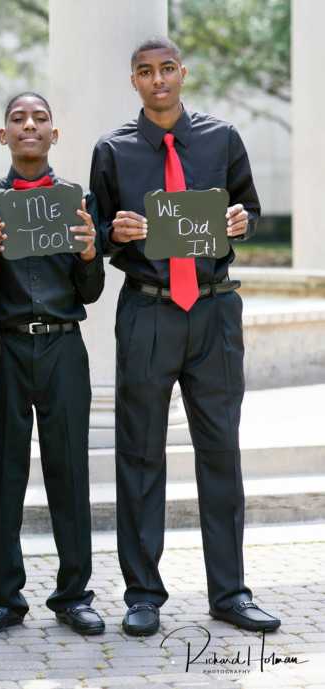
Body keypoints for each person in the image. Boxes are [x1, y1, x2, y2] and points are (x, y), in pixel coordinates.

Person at [89, 37, 280, 636]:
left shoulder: (221, 139)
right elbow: (94, 233)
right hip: (148, 312)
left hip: (214, 312)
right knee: (140, 453)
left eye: (167, 69)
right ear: (134, 81)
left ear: (182, 73)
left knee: (220, 451)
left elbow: (249, 209)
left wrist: (243, 220)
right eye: (145, 71)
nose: (158, 80)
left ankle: (230, 592)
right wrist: (115, 231)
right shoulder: (113, 150)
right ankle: (143, 594)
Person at [0, 92, 105, 638]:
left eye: (40, 119)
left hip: (63, 347)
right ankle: (4, 597)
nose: (29, 125)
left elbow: (89, 293)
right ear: (4, 136)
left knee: (69, 470)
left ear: (54, 134)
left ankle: (73, 595)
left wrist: (91, 254)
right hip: (6, 349)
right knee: (4, 474)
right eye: (18, 119)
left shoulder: (76, 200)